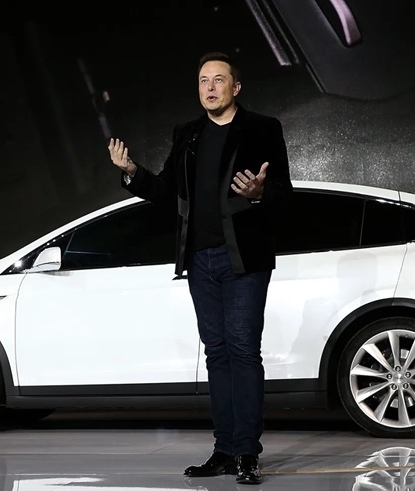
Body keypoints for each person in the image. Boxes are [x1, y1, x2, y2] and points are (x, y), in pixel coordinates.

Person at [107, 51, 292, 485]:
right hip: (199, 259)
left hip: (243, 258)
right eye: (203, 80)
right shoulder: (188, 134)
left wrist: (260, 192)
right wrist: (132, 172)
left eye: (219, 80)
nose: (210, 87)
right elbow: (168, 192)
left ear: (236, 87)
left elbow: (284, 193)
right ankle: (224, 450)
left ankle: (247, 453)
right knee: (217, 354)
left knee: (243, 351)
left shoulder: (263, 128)